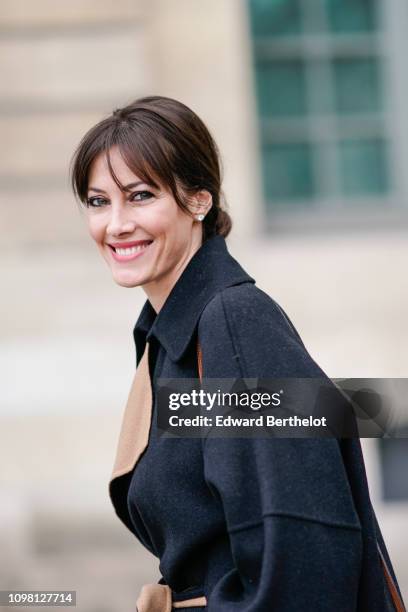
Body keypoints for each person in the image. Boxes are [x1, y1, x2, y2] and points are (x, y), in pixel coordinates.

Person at [70, 95, 404, 611]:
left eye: (139, 196)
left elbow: (303, 544)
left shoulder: (233, 322)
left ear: (199, 200)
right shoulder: (169, 336)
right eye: (98, 201)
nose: (115, 225)